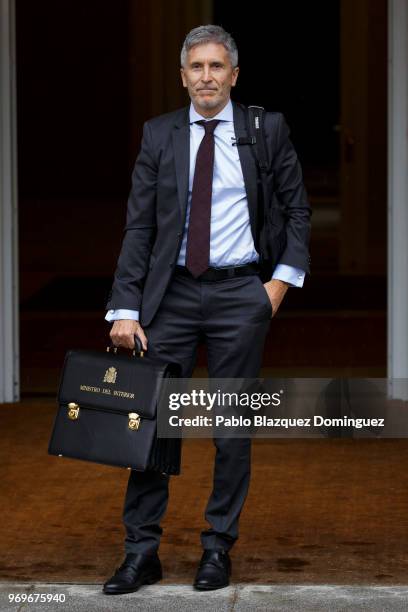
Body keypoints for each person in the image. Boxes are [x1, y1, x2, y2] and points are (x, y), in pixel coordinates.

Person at [103, 24, 311, 595]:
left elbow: (296, 209)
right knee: (149, 425)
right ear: (183, 76)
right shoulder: (160, 134)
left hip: (239, 295)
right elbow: (139, 226)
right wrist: (125, 307)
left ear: (234, 75)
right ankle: (140, 551)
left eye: (217, 67)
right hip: (167, 297)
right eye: (196, 68)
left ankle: (217, 549)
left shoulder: (264, 131)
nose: (207, 77)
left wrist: (277, 286)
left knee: (229, 430)